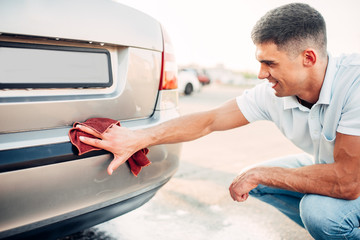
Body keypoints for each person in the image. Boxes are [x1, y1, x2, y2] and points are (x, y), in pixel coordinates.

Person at [76, 3, 360, 239]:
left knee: (319, 212)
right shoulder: (272, 94)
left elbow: (348, 181)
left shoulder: (354, 83)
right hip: (334, 168)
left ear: (308, 58)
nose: (261, 74)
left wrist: (262, 173)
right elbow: (209, 120)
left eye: (270, 64)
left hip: (352, 176)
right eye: (260, 62)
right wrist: (139, 138)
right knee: (256, 180)